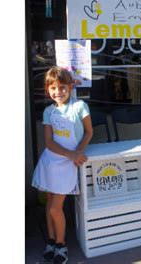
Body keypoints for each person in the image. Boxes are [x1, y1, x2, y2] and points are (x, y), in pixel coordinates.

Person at [32, 66, 93, 264]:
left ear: (70, 87)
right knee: (49, 204)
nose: (58, 92)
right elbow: (49, 141)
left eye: (62, 87)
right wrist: (71, 153)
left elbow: (88, 132)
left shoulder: (80, 107)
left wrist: (78, 153)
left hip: (68, 164)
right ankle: (51, 241)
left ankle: (61, 244)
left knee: (55, 209)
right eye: (53, 88)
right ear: (47, 90)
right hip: (50, 161)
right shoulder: (49, 111)